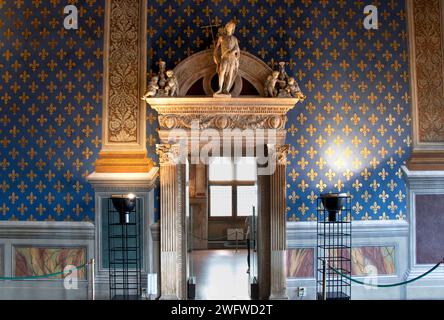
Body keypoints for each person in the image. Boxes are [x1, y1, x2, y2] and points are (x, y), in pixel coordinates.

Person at [213, 21, 240, 97]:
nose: (229, 27)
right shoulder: (221, 37)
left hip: (232, 59)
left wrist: (234, 52)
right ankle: (220, 89)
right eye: (228, 26)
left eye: (230, 26)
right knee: (222, 72)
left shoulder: (235, 39)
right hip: (224, 58)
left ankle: (226, 89)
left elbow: (237, 49)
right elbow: (217, 48)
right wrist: (215, 55)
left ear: (233, 29)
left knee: (230, 74)